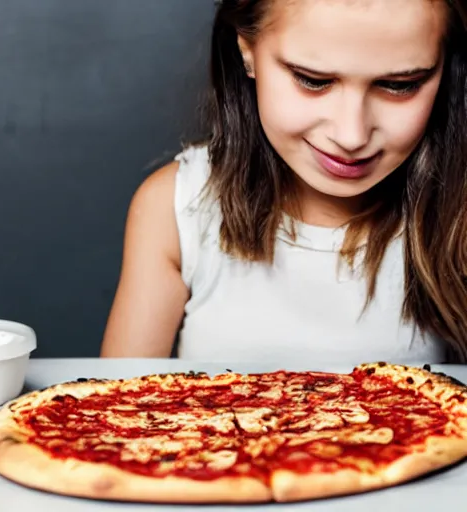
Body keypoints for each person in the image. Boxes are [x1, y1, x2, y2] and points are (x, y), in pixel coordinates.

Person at [100, 0, 467, 365]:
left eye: (399, 85)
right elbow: (111, 412)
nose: (352, 135)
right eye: (313, 80)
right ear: (246, 47)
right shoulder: (174, 207)